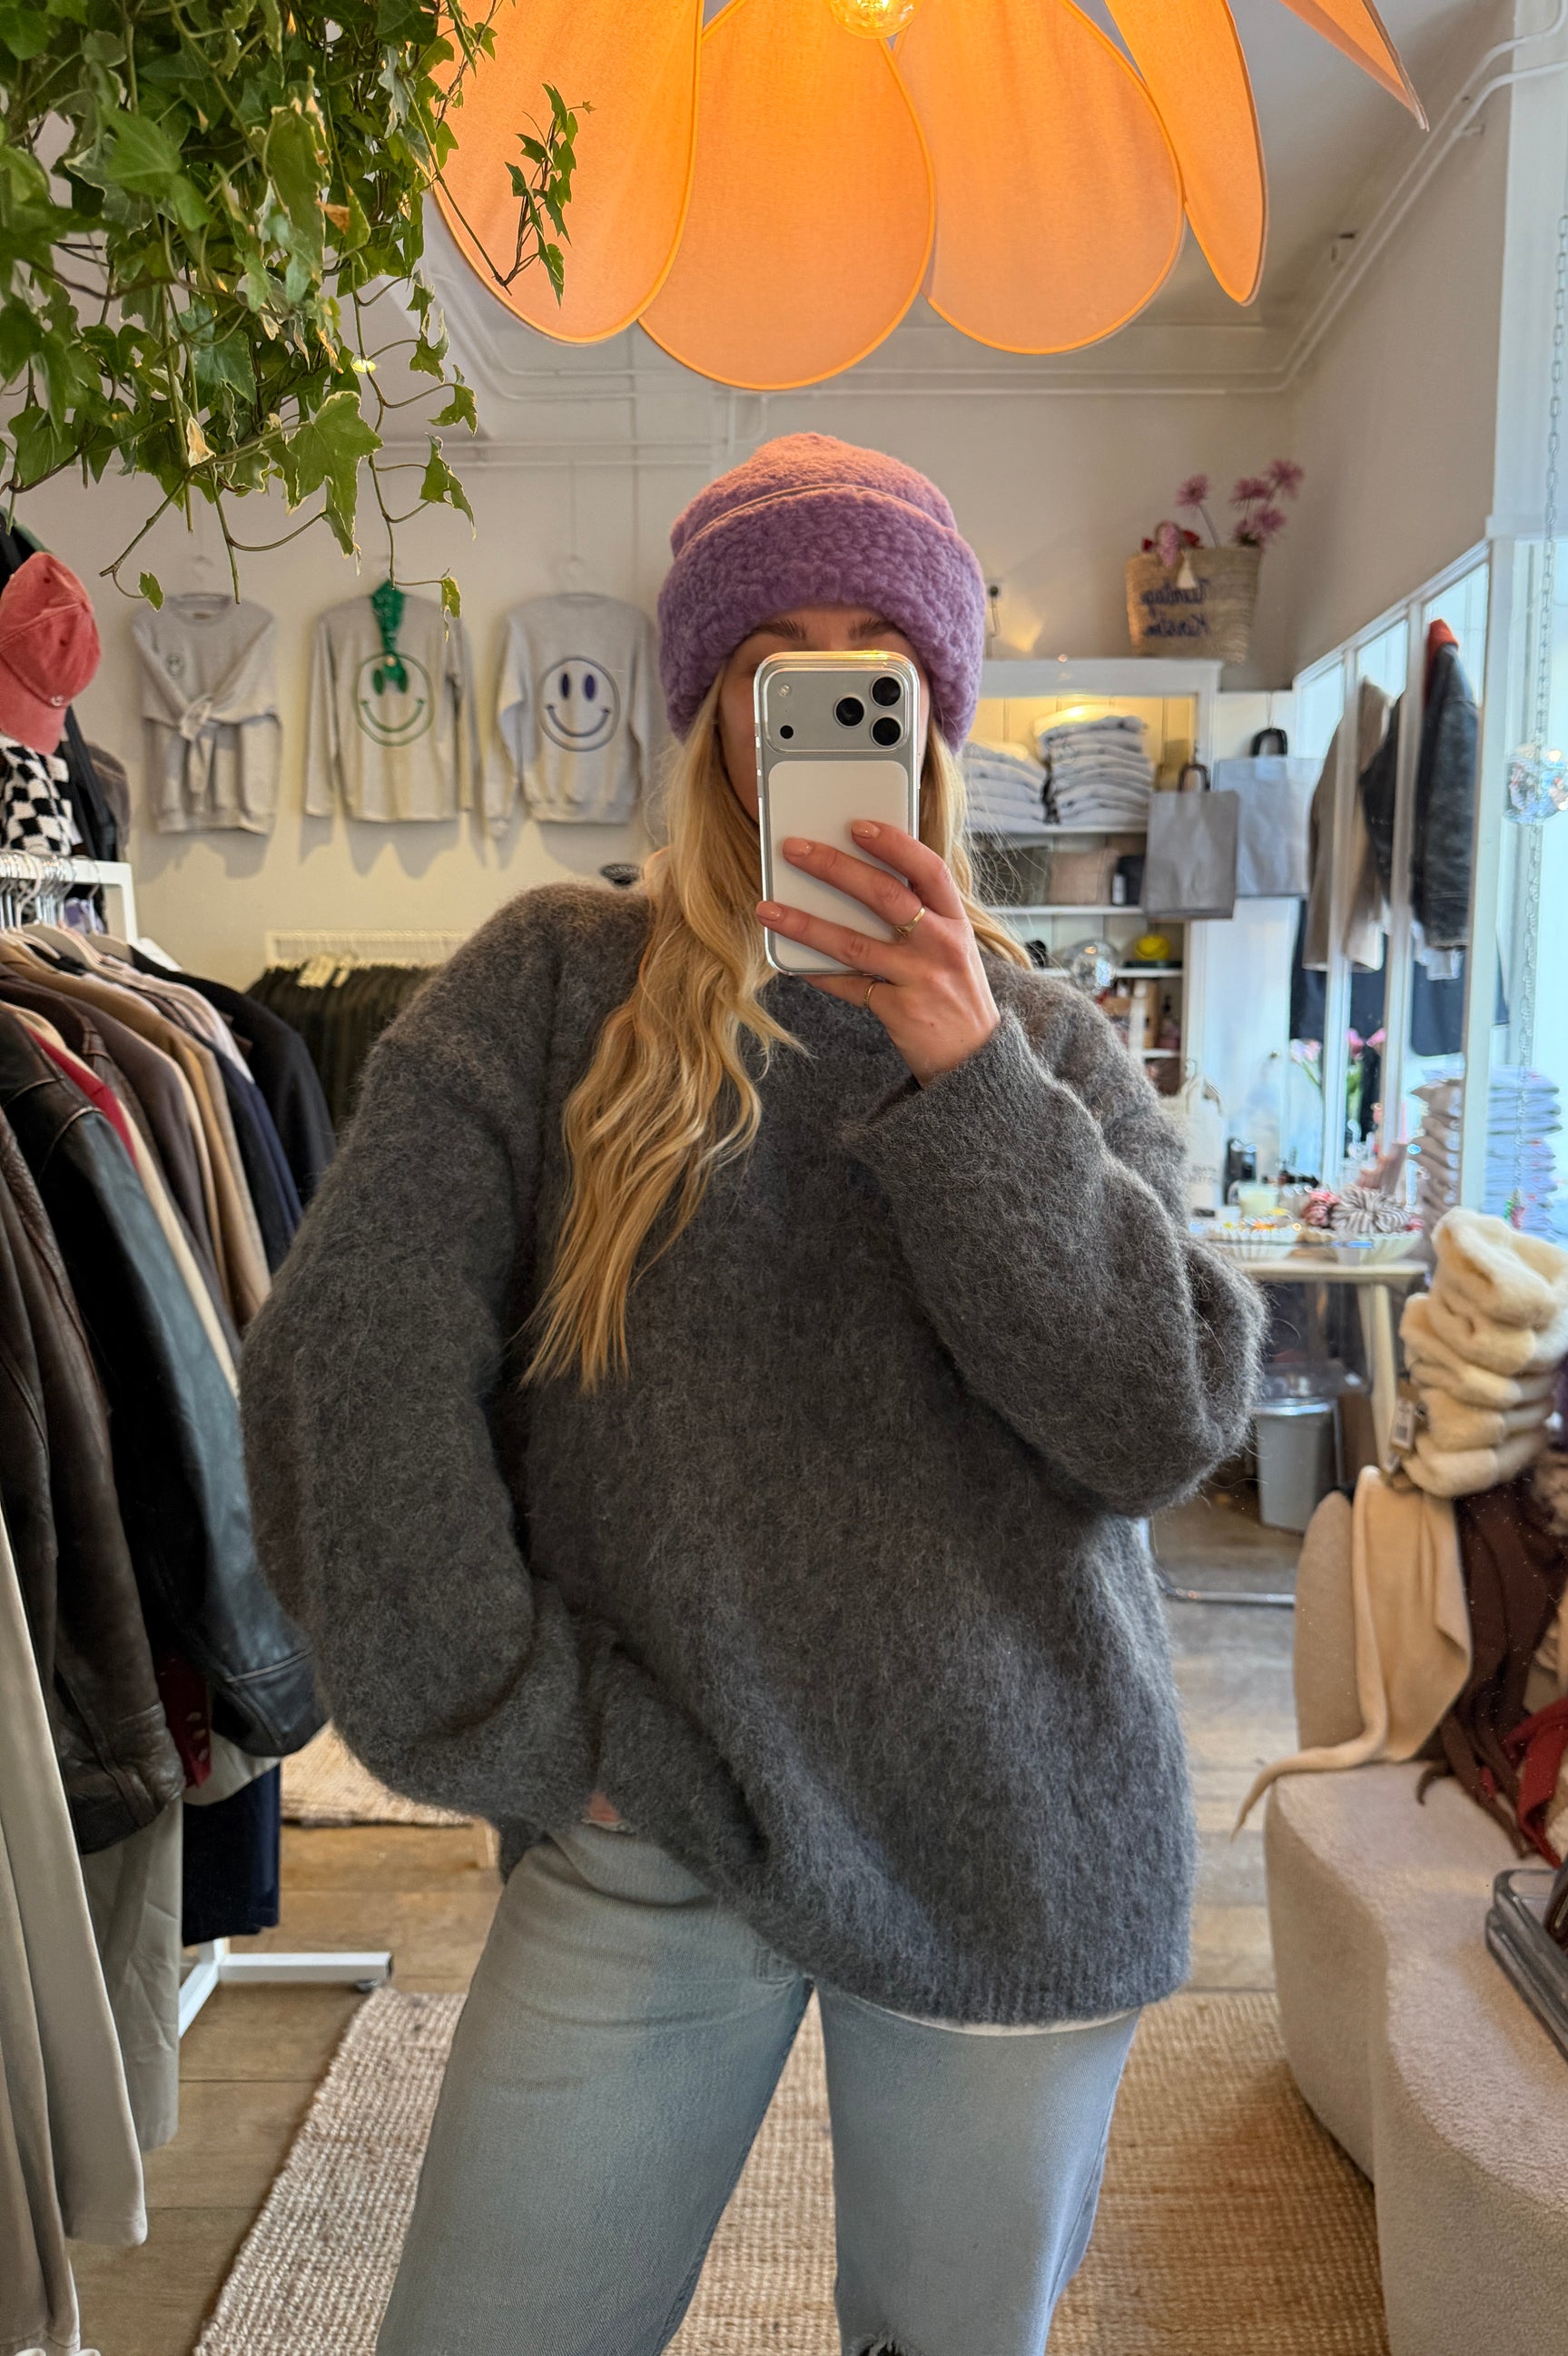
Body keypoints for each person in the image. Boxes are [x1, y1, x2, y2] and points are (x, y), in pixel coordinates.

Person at [240, 433, 1264, 2356]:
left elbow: (1163, 1417)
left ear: (935, 708)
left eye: (872, 652)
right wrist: (508, 1711)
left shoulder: (1040, 1041)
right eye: (772, 658)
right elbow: (347, 1360)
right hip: (659, 1811)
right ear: (710, 707)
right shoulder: (554, 988)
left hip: (1018, 1827)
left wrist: (966, 1078)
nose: (821, 690)